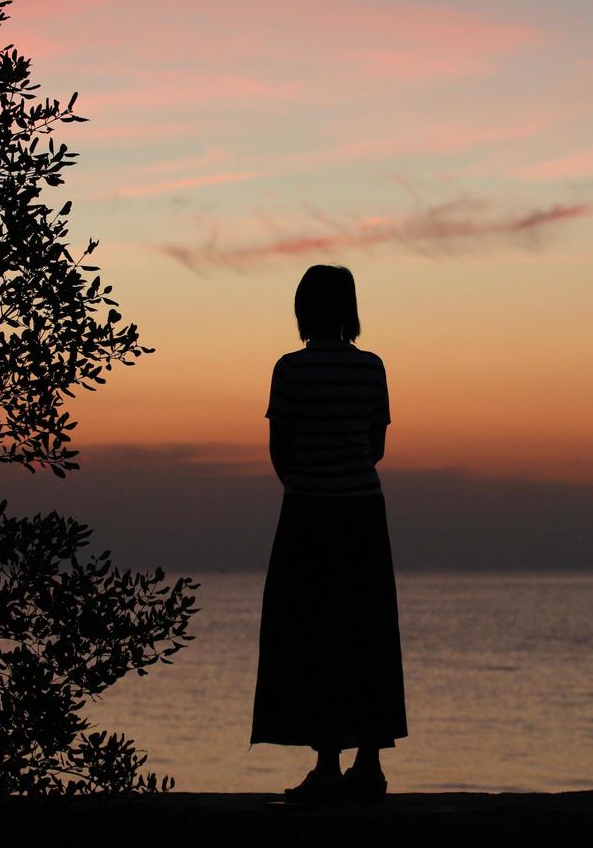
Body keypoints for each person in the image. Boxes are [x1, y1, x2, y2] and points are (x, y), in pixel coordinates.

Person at [251, 264, 408, 804]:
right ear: (350, 310)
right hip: (363, 514)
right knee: (366, 634)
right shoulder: (373, 368)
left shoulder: (289, 370)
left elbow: (280, 449)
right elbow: (376, 448)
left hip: (307, 514)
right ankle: (369, 763)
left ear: (302, 309)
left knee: (312, 634)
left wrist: (307, 482)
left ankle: (327, 764)